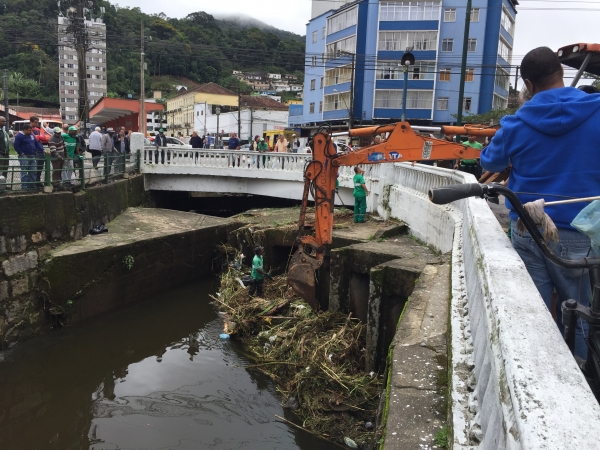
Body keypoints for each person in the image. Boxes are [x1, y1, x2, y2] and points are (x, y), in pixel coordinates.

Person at [480, 46, 600, 361]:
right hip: (581, 233)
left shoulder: (516, 123)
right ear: (561, 74)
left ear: (529, 85)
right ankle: (581, 376)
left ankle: (537, 365)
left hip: (529, 228)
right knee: (580, 312)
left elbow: (489, 159)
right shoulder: (597, 111)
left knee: (532, 308)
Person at [14, 124, 45, 189]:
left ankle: (31, 185)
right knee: (24, 172)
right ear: (25, 130)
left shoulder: (31, 135)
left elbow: (36, 143)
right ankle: (24, 186)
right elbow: (16, 146)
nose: (31, 131)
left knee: (33, 171)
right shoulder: (19, 136)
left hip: (32, 155)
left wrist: (43, 150)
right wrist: (21, 153)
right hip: (24, 156)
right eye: (29, 130)